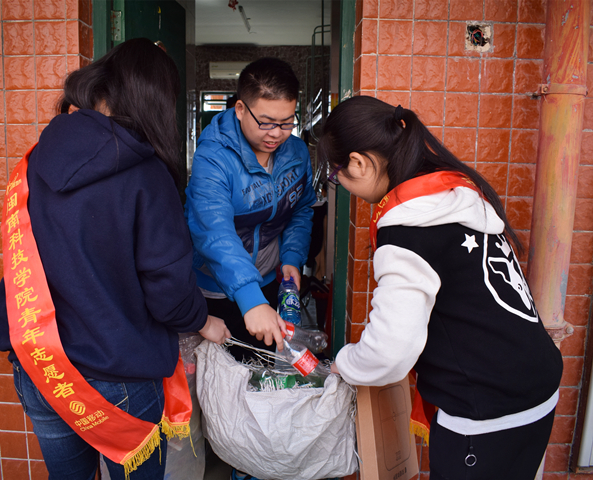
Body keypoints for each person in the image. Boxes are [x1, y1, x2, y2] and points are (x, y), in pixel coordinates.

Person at [0, 38, 230, 480]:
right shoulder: (147, 175)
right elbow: (169, 292)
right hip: (118, 371)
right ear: (158, 102)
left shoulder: (38, 157)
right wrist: (204, 321)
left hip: (41, 366)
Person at [322, 96, 563, 480]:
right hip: (536, 386)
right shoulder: (457, 194)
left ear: (359, 162)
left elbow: (389, 352)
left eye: (338, 175)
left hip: (487, 411)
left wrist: (345, 364)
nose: (343, 186)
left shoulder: (407, 229)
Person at [185, 57, 317, 361]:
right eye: (266, 122)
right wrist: (249, 298)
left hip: (269, 280)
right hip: (214, 289)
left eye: (287, 122)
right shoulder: (213, 158)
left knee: (262, 369)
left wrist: (292, 258)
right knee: (219, 380)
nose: (276, 133)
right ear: (240, 109)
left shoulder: (296, 151)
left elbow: (301, 208)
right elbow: (213, 232)